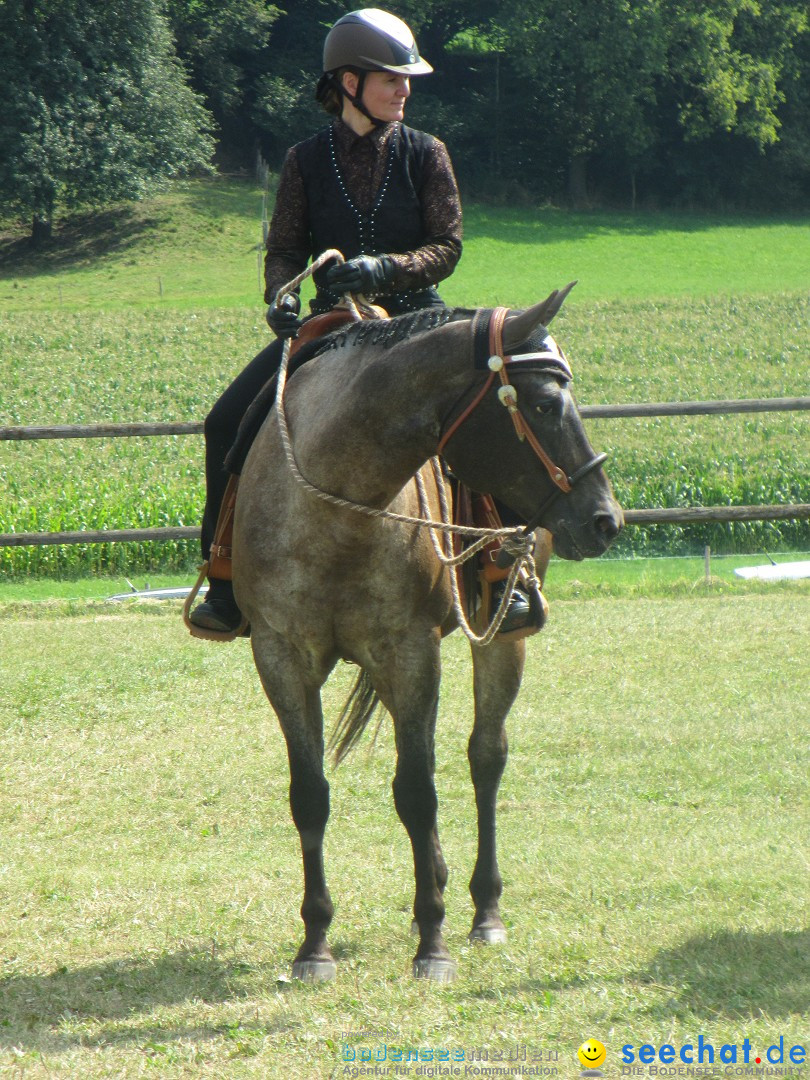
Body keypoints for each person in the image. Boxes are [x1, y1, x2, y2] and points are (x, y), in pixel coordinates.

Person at [189, 8, 532, 636]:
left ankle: (501, 572)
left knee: (490, 415)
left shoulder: (428, 153)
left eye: (406, 81)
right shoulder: (303, 161)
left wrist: (384, 268)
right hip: (337, 327)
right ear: (350, 83)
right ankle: (225, 577)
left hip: (418, 323)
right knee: (224, 421)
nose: (405, 89)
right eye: (391, 79)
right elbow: (286, 249)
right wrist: (280, 297)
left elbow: (447, 247)